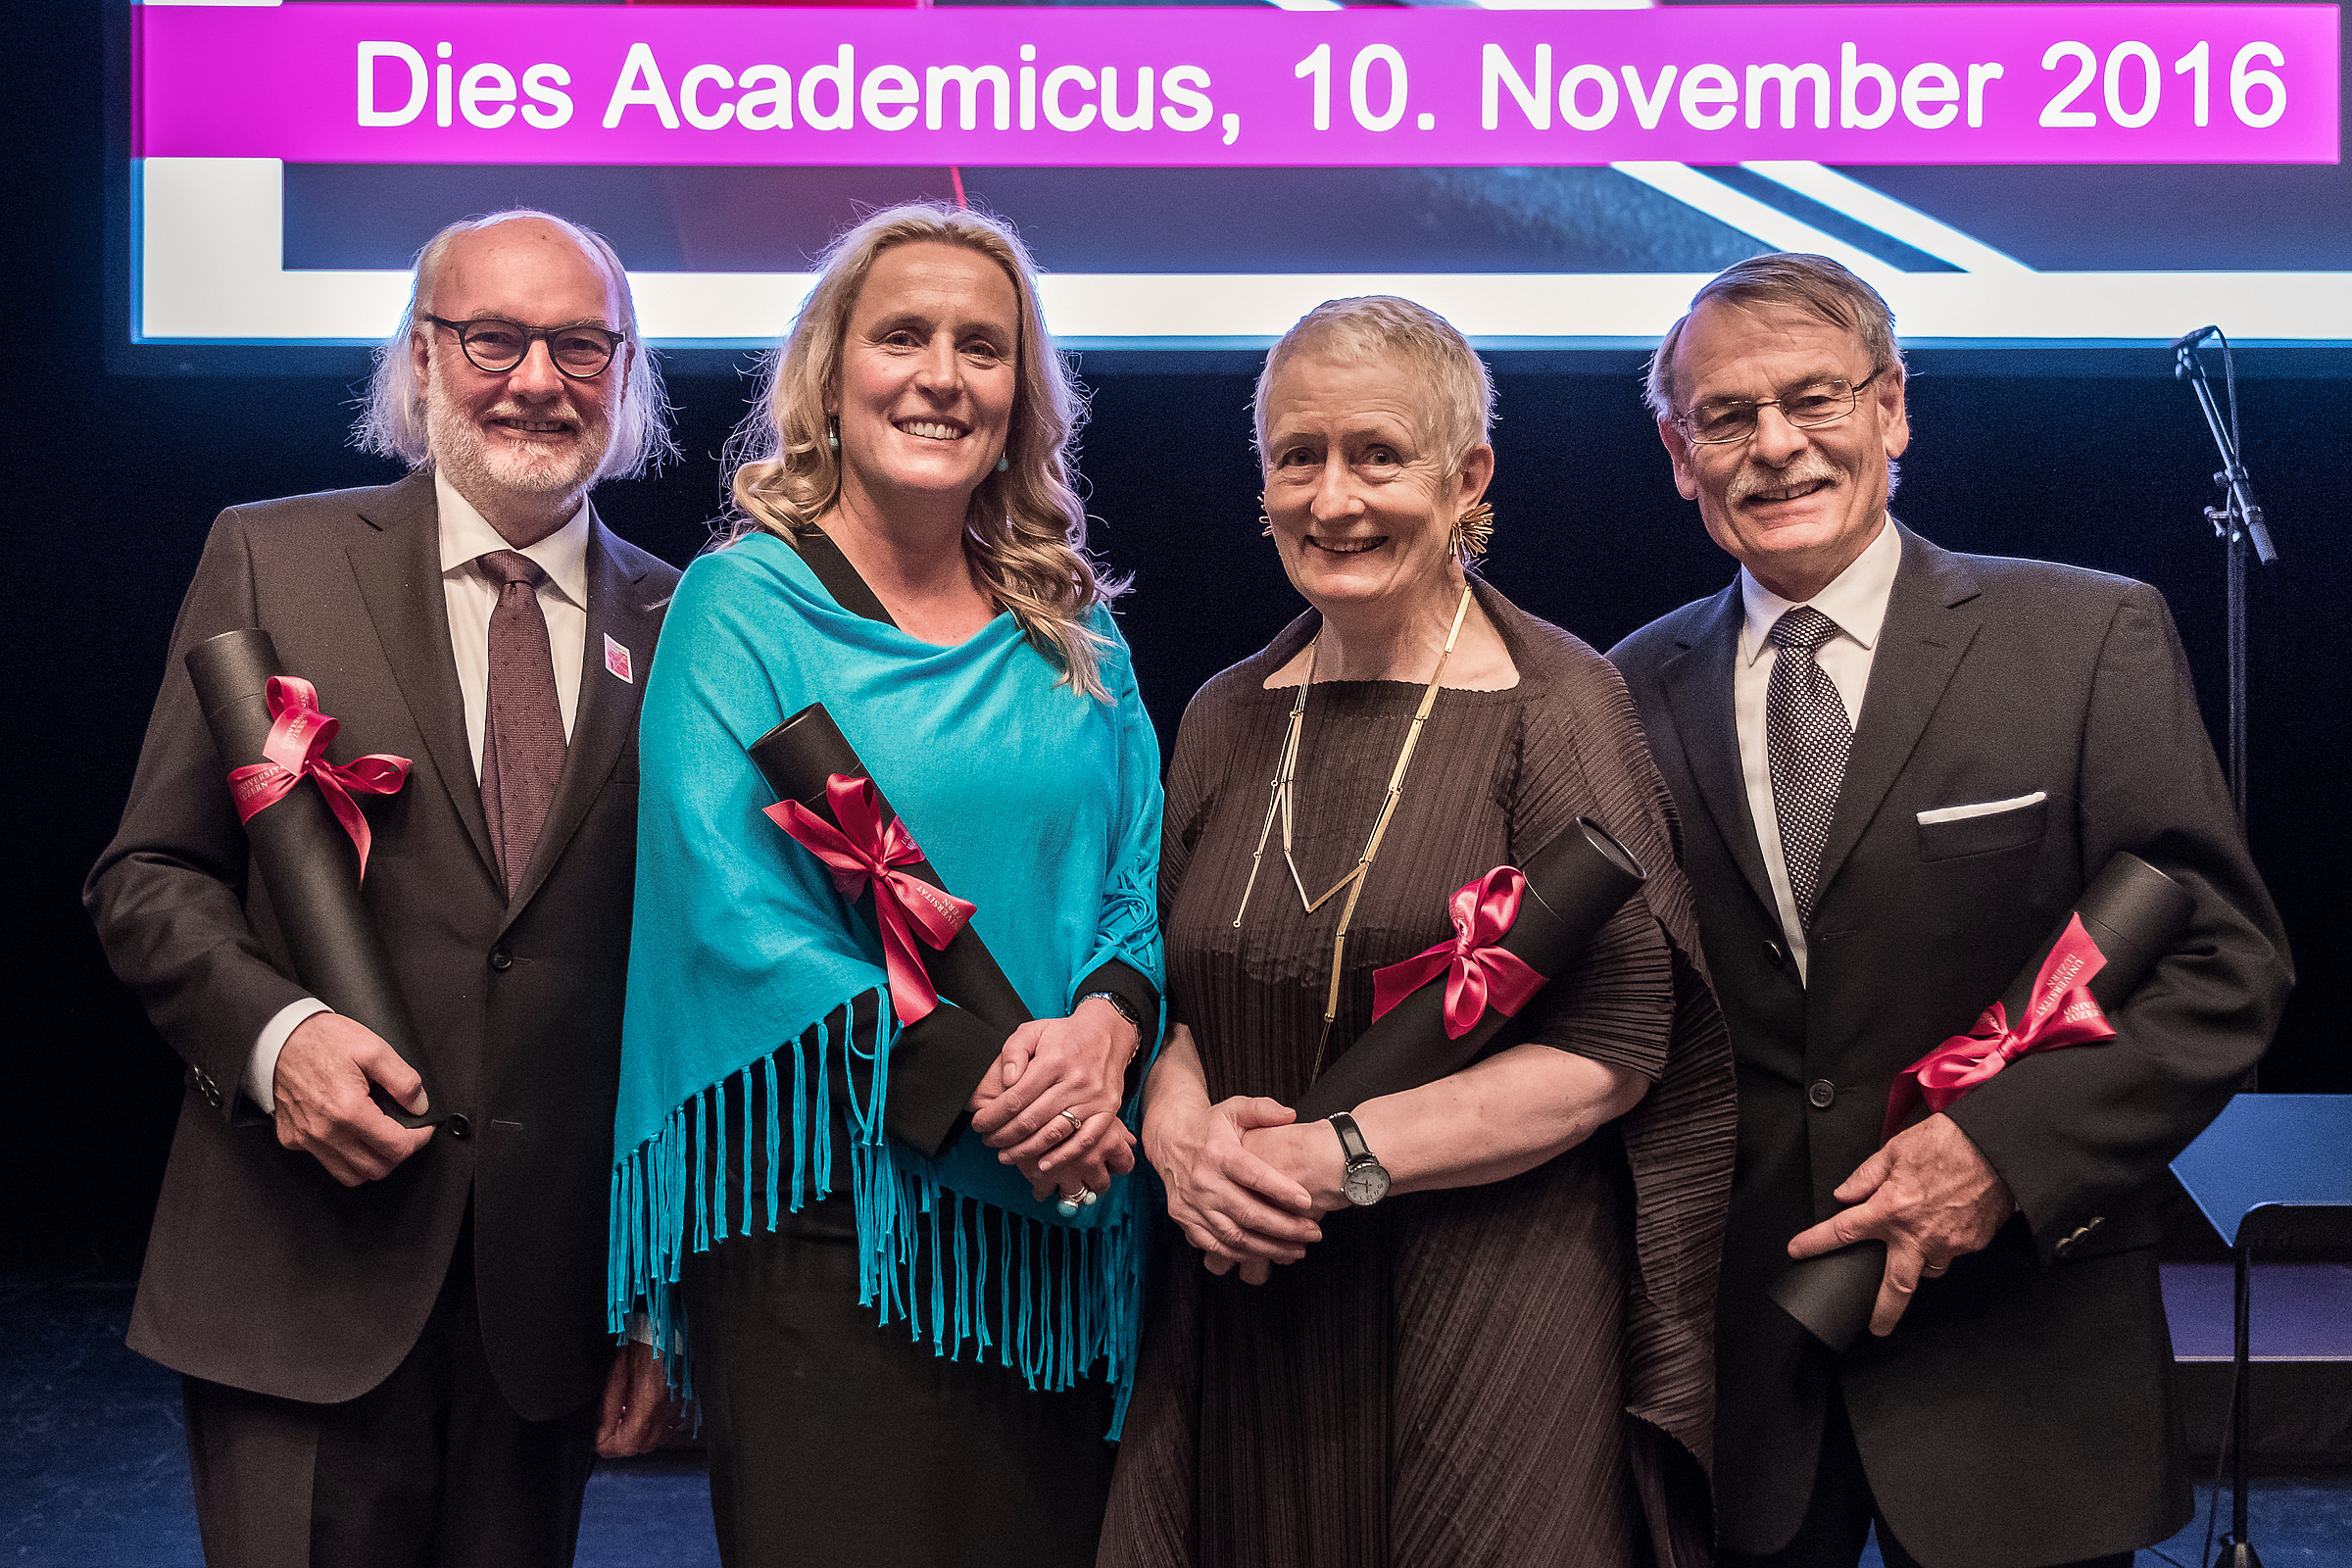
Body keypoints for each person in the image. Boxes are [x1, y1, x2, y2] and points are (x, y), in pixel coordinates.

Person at [1607, 253, 2293, 1568]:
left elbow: (2223, 965)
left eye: (1815, 398)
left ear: (1893, 409)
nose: (1776, 445)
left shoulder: (2085, 638)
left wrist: (1999, 1152)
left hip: (2027, 1365)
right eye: (1727, 416)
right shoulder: (1625, 689)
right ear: (1680, 456)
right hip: (1746, 1389)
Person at [84, 210, 687, 1565]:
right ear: (421, 359)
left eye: (580, 345)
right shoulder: (272, 558)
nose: (537, 380)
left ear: (627, 369)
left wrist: (656, 1299)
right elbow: (150, 874)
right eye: (492, 339)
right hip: (296, 1272)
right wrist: (278, 1038)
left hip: (548, 1319)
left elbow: (683, 977)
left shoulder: (690, 622)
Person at [1099, 297, 1735, 1568]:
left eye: (1378, 455)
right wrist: (1180, 1142)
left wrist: (1335, 1161)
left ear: (1468, 478)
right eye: (1298, 456)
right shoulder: (1225, 711)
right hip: (1244, 1297)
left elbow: (1615, 1045)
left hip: (1485, 1311)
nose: (1333, 499)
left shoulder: (1559, 704)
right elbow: (1167, 988)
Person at [609, 202, 1164, 1568]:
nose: (941, 377)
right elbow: (735, 921)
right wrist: (997, 1091)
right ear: (830, 372)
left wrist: (1105, 1033)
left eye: (984, 348)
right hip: (833, 1235)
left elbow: (1138, 877)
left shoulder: (1075, 626)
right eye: (903, 336)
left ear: (1021, 397)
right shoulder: (738, 610)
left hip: (1060, 1229)